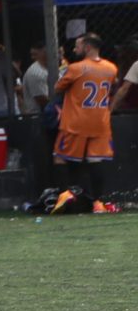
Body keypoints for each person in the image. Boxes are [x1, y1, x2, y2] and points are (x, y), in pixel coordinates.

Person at [55, 32, 118, 191]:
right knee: (94, 160)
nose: (75, 49)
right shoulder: (111, 68)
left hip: (76, 122)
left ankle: (65, 197)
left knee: (60, 158)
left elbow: (58, 88)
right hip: (100, 122)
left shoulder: (76, 68)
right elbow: (113, 85)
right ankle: (97, 202)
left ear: (88, 47)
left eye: (78, 46)